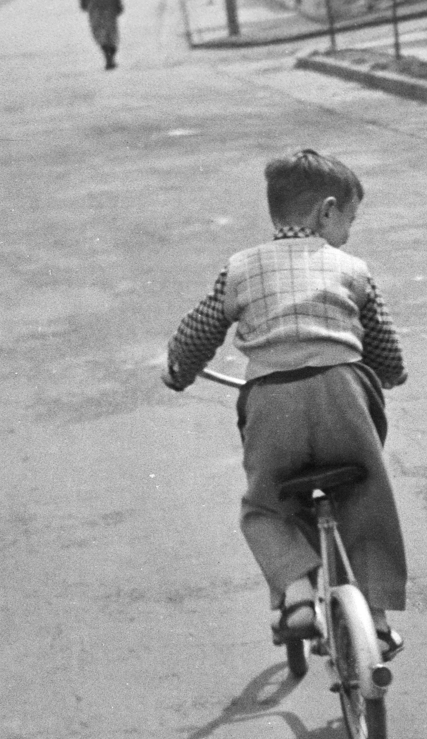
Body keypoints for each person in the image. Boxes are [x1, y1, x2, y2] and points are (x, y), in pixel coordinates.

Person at [162, 149, 409, 660]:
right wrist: (393, 373)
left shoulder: (240, 268)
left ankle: (296, 595)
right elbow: (382, 340)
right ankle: (378, 623)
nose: (349, 233)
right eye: (350, 221)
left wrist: (178, 372)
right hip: (345, 393)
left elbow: (200, 329)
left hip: (272, 401)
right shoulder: (351, 268)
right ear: (327, 211)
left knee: (265, 503)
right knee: (368, 496)